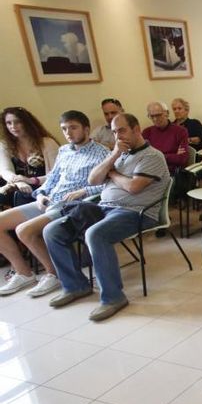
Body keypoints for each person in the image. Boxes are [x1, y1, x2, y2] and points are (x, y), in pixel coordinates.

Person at [43, 113, 170, 321]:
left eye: (122, 130)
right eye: (113, 131)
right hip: (103, 207)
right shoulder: (119, 153)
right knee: (52, 230)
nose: (117, 136)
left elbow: (133, 187)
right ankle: (75, 286)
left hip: (136, 212)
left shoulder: (152, 156)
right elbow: (93, 179)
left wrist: (111, 173)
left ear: (136, 129)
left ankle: (113, 297)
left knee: (95, 234)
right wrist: (113, 157)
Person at [0, 110, 108, 297]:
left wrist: (83, 191)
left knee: (23, 230)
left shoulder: (101, 153)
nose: (68, 133)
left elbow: (108, 185)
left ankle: (54, 273)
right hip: (49, 200)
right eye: (64, 129)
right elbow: (53, 178)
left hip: (72, 205)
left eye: (73, 128)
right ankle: (23, 273)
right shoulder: (64, 151)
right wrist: (40, 193)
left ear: (86, 129)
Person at [0, 107, 60, 208]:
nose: (13, 126)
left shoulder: (47, 142)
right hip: (17, 185)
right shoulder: (4, 145)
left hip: (42, 185)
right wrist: (20, 182)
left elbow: (56, 174)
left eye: (17, 122)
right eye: (9, 123)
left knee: (22, 195)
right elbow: (5, 170)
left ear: (27, 123)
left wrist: (31, 181)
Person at [142, 101, 189, 172]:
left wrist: (155, 156)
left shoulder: (180, 131)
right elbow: (143, 157)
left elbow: (182, 159)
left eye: (158, 115)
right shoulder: (146, 132)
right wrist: (172, 155)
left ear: (166, 113)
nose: (155, 119)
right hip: (150, 170)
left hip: (171, 173)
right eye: (152, 116)